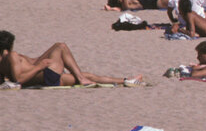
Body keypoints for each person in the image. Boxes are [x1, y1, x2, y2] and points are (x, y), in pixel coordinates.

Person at [0, 30, 141, 86]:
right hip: (47, 74)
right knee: (61, 46)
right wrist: (40, 66)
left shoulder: (3, 62)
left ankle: (126, 80)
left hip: (47, 77)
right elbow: (18, 80)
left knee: (90, 76)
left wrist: (40, 62)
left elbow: (27, 66)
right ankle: (81, 79)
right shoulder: (12, 56)